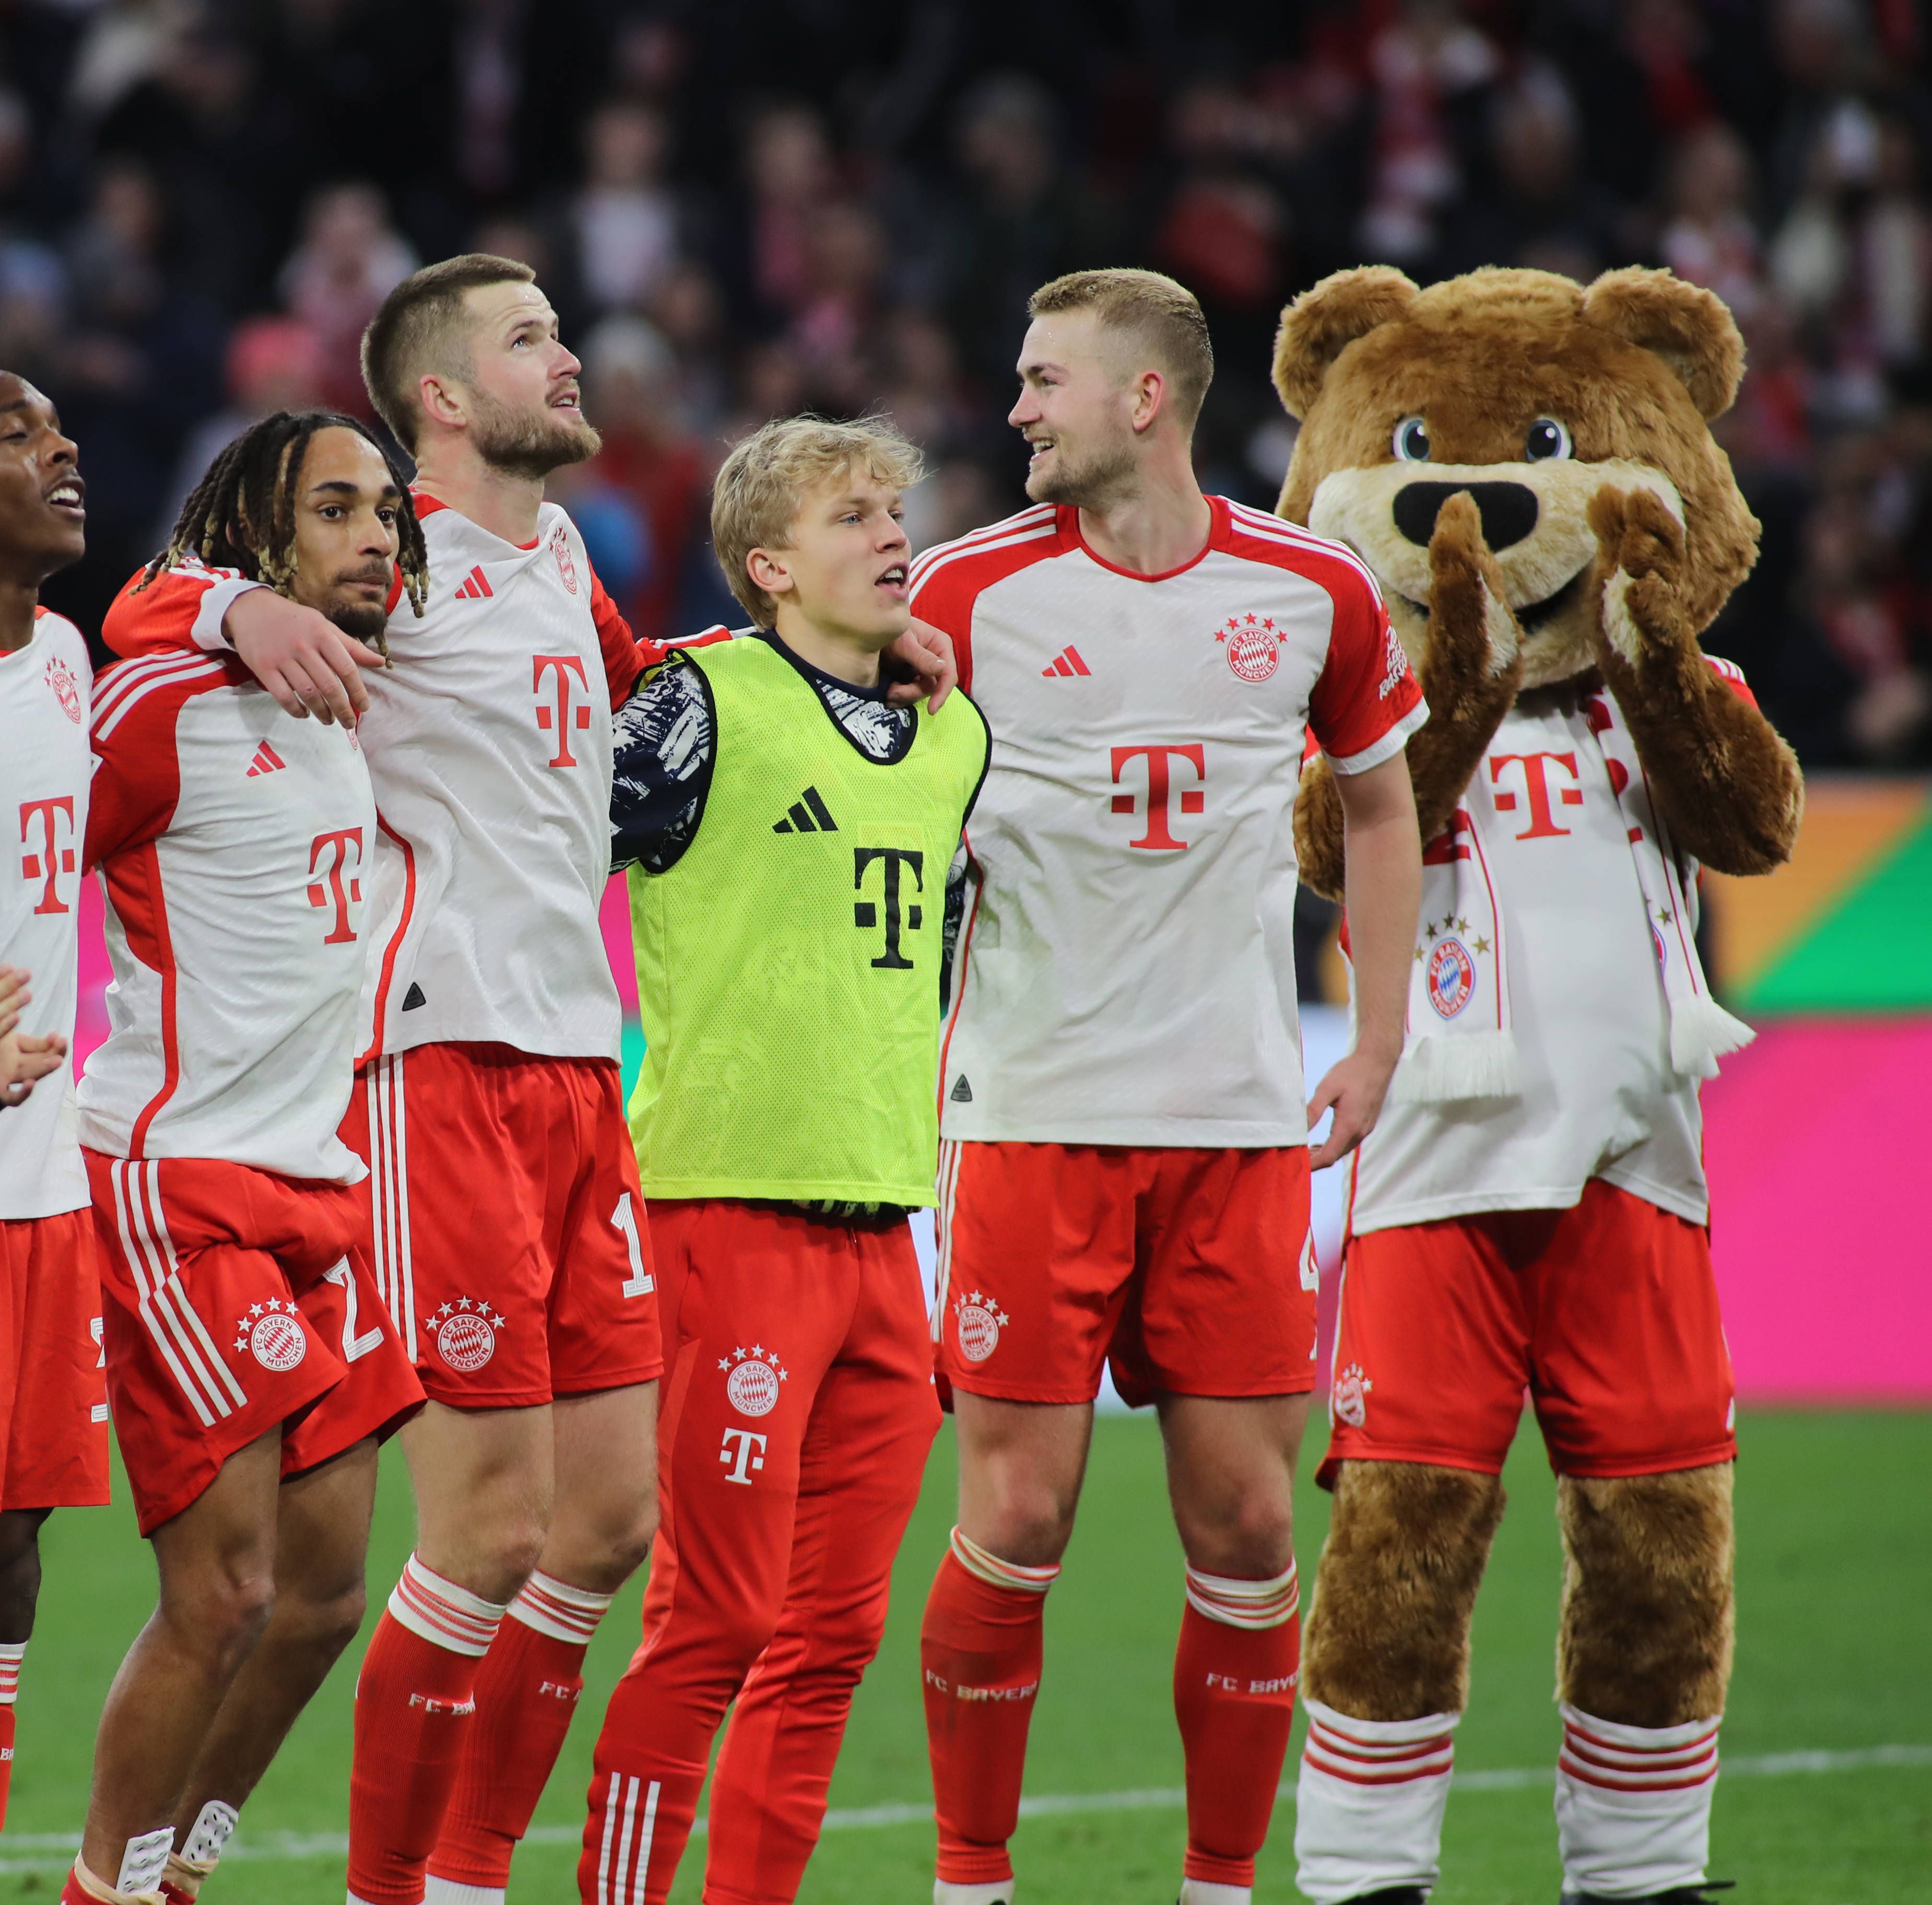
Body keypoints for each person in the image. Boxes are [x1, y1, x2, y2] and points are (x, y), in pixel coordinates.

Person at [104, 254, 955, 1905]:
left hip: (580, 1068)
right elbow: (144, 607)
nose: (567, 358)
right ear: (440, 396)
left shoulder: (564, 551)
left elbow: (660, 683)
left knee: (607, 1533)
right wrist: (237, 606)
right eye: (528, 341)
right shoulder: (383, 561)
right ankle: (388, 1887)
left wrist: (850, 644)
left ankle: (474, 1873)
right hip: (438, 1063)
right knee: (485, 1537)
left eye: (560, 331)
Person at [907, 268, 1426, 1905]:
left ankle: (1216, 1887)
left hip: (1234, 1129)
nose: (1015, 410)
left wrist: (1382, 1032)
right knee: (1018, 1518)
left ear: (1144, 398)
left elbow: (1382, 811)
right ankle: (968, 1883)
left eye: (1042, 379)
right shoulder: (964, 592)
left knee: (1251, 1533)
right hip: (1028, 1116)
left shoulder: (1312, 594)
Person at [578, 414, 989, 1905]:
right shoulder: (697, 702)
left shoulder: (951, 730)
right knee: (714, 1623)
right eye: (849, 517)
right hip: (722, 1212)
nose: (892, 533)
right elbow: (539, 859)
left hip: (889, 1230)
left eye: (896, 509)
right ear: (766, 566)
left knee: (830, 1643)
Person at [62, 410, 425, 1905]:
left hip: (320, 1186)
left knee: (326, 1599)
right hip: (182, 1183)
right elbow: (35, 827)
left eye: (386, 513)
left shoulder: (371, 684)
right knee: (227, 1594)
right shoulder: (158, 702)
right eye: (334, 510)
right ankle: (104, 1888)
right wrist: (218, 602)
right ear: (256, 539)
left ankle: (172, 1872)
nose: (376, 537)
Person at [0, 371, 110, 1835]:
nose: (59, 447)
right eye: (14, 434)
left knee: (13, 1545)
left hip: (38, 1182)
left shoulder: (71, 658)